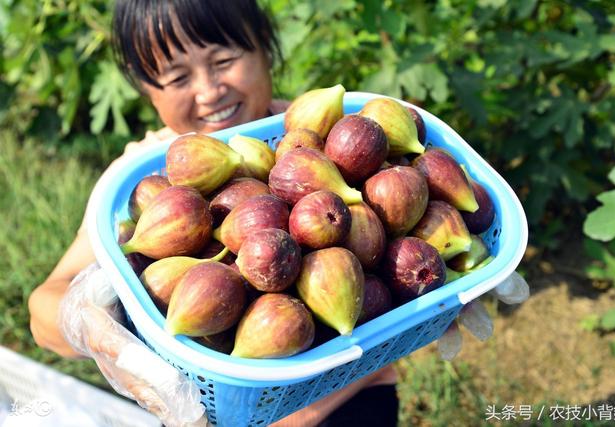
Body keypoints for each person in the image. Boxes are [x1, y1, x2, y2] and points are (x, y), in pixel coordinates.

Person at [28, 1, 399, 426]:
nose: (209, 91)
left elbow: (382, 313)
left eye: (223, 60)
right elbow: (43, 311)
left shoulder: (323, 137)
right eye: (178, 76)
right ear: (146, 87)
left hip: (349, 396)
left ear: (266, 47)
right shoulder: (141, 175)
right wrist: (92, 329)